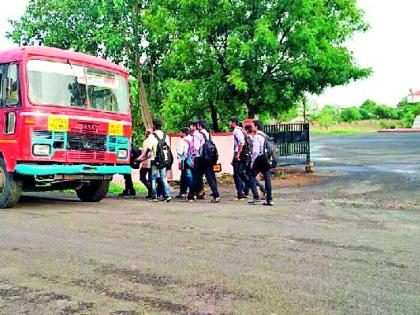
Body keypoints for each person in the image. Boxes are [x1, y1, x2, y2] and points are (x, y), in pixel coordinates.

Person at [138, 120, 172, 202]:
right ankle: (167, 195)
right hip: (164, 160)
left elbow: (149, 150)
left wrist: (141, 157)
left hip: (155, 159)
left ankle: (154, 196)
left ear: (154, 125)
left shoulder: (152, 136)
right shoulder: (166, 136)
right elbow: (168, 148)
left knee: (153, 178)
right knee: (163, 178)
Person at [188, 120, 220, 203]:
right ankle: (216, 195)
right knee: (211, 178)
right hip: (209, 159)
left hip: (200, 159)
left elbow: (196, 147)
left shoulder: (197, 134)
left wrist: (192, 158)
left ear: (199, 125)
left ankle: (190, 196)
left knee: (195, 177)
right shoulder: (208, 134)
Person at [229, 117, 258, 201]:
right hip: (244, 155)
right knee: (243, 173)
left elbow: (241, 142)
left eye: (230, 122)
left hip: (240, 154)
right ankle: (246, 191)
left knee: (237, 174)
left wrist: (237, 154)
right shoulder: (241, 129)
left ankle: (241, 194)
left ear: (233, 122)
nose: (229, 123)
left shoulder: (236, 131)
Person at [248, 120, 274, 206]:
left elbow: (255, 151)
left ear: (256, 126)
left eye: (252, 126)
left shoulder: (257, 136)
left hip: (259, 158)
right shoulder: (264, 135)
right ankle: (269, 199)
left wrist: (252, 162)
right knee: (267, 178)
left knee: (251, 176)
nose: (251, 127)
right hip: (265, 158)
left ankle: (256, 197)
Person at [176, 127, 194, 199]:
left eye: (180, 133)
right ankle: (193, 192)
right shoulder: (193, 139)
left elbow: (180, 153)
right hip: (193, 160)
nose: (180, 134)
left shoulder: (182, 141)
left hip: (185, 160)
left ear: (183, 133)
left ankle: (185, 192)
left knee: (185, 176)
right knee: (190, 176)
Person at [138, 129, 153, 199]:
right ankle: (151, 193)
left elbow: (145, 152)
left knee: (142, 177)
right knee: (151, 178)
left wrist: (139, 159)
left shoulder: (146, 141)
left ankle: (151, 189)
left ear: (147, 133)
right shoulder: (154, 140)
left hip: (146, 162)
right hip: (152, 162)